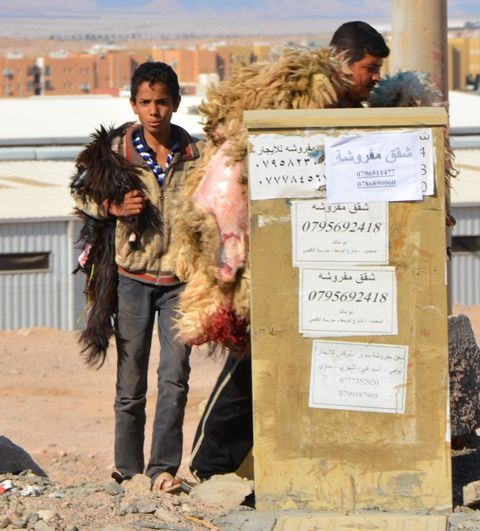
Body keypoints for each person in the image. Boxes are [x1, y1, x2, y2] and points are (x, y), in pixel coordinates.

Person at [189, 21, 389, 482]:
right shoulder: (298, 103)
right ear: (344, 61)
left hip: (326, 257)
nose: (375, 78)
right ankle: (209, 466)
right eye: (370, 68)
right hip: (273, 256)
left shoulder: (352, 111)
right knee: (254, 361)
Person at [71, 61, 200, 492]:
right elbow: (80, 193)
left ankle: (162, 469)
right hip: (131, 277)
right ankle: (127, 470)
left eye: (162, 102)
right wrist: (112, 209)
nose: (154, 111)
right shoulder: (114, 154)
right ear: (133, 104)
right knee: (131, 381)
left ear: (176, 104)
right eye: (145, 102)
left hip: (180, 281)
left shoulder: (196, 155)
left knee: (175, 377)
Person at [330, 20, 390, 107]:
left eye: (378, 69)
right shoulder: (314, 111)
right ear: (340, 63)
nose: (377, 77)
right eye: (370, 68)